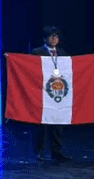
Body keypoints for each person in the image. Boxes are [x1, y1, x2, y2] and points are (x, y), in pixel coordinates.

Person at [31, 26, 72, 161]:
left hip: (58, 92)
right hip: (42, 93)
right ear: (45, 38)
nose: (54, 38)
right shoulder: (37, 52)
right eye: (51, 36)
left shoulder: (62, 53)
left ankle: (56, 151)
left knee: (58, 123)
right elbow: (29, 69)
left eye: (56, 36)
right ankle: (40, 151)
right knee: (42, 124)